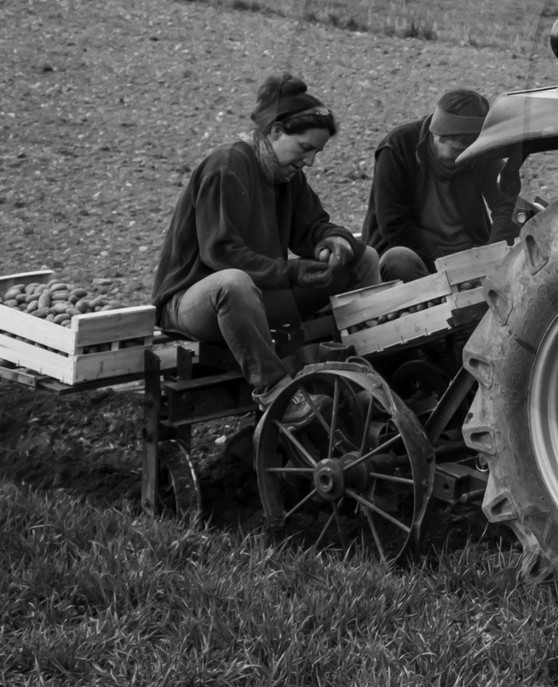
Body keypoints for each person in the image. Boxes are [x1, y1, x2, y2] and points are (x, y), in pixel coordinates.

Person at [152, 74, 381, 427]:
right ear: (275, 132)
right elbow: (222, 254)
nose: (310, 162)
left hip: (258, 295)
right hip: (195, 302)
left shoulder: (288, 177)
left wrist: (333, 242)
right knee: (234, 282)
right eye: (305, 149)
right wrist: (291, 271)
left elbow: (314, 226)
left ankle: (366, 370)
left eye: (317, 153)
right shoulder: (227, 166)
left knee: (364, 257)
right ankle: (277, 393)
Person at [362, 88, 520, 282]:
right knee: (398, 260)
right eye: (457, 151)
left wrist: (492, 256)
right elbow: (394, 223)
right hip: (419, 257)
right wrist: (445, 265)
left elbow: (506, 204)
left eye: (469, 153)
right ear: (437, 135)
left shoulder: (479, 152)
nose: (463, 159)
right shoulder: (398, 146)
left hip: (469, 256)